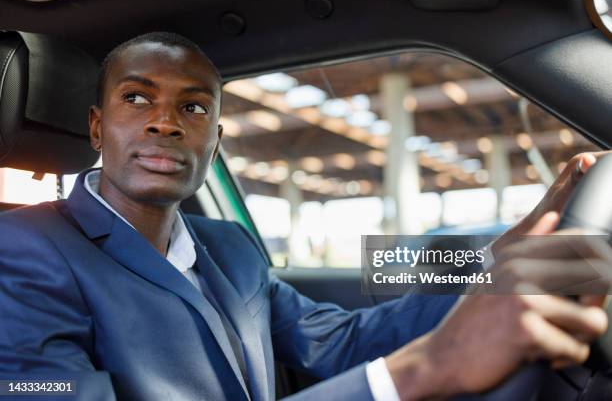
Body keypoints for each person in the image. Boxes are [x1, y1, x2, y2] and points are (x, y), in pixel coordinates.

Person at [0, 31, 610, 401]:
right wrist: (423, 369)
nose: (166, 122)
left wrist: (496, 259)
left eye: (193, 107)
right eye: (137, 98)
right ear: (97, 127)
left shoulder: (228, 246)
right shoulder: (21, 250)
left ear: (214, 142)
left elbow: (336, 338)